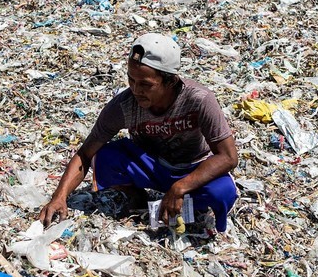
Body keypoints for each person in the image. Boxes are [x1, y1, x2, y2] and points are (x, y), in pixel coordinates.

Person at [38, 34, 239, 233]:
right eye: (131, 80)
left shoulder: (198, 100)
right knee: (104, 157)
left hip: (192, 167)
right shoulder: (123, 105)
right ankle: (139, 200)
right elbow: (85, 154)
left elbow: (228, 157)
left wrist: (181, 186)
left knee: (222, 192)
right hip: (151, 165)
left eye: (146, 85)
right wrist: (60, 196)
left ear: (170, 81)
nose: (136, 89)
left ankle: (188, 206)